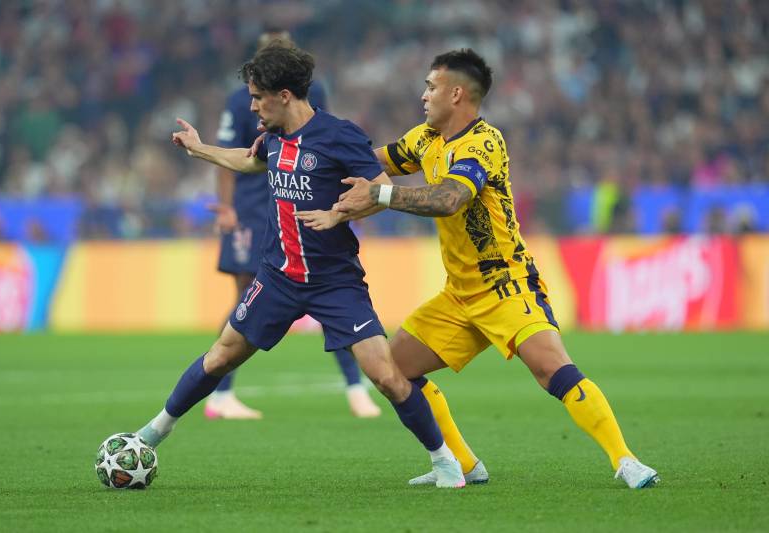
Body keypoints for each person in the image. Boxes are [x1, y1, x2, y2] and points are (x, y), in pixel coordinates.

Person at [297, 48, 660, 489]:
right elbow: (366, 161)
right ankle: (464, 465)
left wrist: (380, 195)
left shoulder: (484, 143)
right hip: (458, 293)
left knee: (552, 369)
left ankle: (626, 460)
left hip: (505, 283)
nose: (423, 95)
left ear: (456, 94)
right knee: (394, 370)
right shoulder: (424, 139)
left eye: (431, 87)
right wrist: (299, 152)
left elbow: (450, 198)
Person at [136, 44, 465, 488]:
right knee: (219, 356)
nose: (253, 107)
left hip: (335, 281)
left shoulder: (340, 135)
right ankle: (150, 435)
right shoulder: (272, 137)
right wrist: (199, 149)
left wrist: (337, 214)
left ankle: (445, 463)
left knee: (387, 376)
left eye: (258, 97)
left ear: (285, 95)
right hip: (278, 277)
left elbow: (380, 190)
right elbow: (248, 161)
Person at [207, 29, 380, 420]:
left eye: (285, 45)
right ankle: (222, 392)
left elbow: (326, 145)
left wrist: (342, 207)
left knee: (325, 288)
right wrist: (227, 206)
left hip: (299, 205)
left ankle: (355, 386)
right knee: (246, 297)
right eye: (272, 45)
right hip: (253, 209)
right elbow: (234, 156)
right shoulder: (242, 100)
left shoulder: (311, 96)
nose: (279, 48)